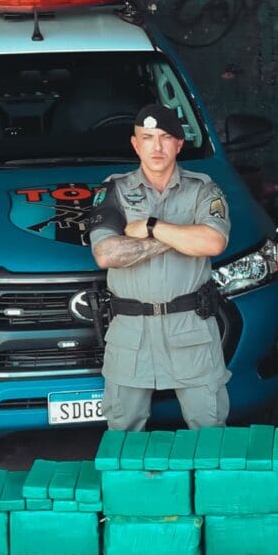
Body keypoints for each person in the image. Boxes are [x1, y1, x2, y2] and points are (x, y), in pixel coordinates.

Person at [89, 103, 231, 432]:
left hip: (190, 330)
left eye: (166, 137)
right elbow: (107, 254)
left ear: (179, 144)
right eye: (147, 137)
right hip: (131, 334)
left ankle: (207, 487)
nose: (156, 146)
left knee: (210, 430)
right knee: (123, 434)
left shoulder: (204, 189)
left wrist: (152, 227)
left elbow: (213, 243)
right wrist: (181, 235)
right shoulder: (112, 190)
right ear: (135, 143)